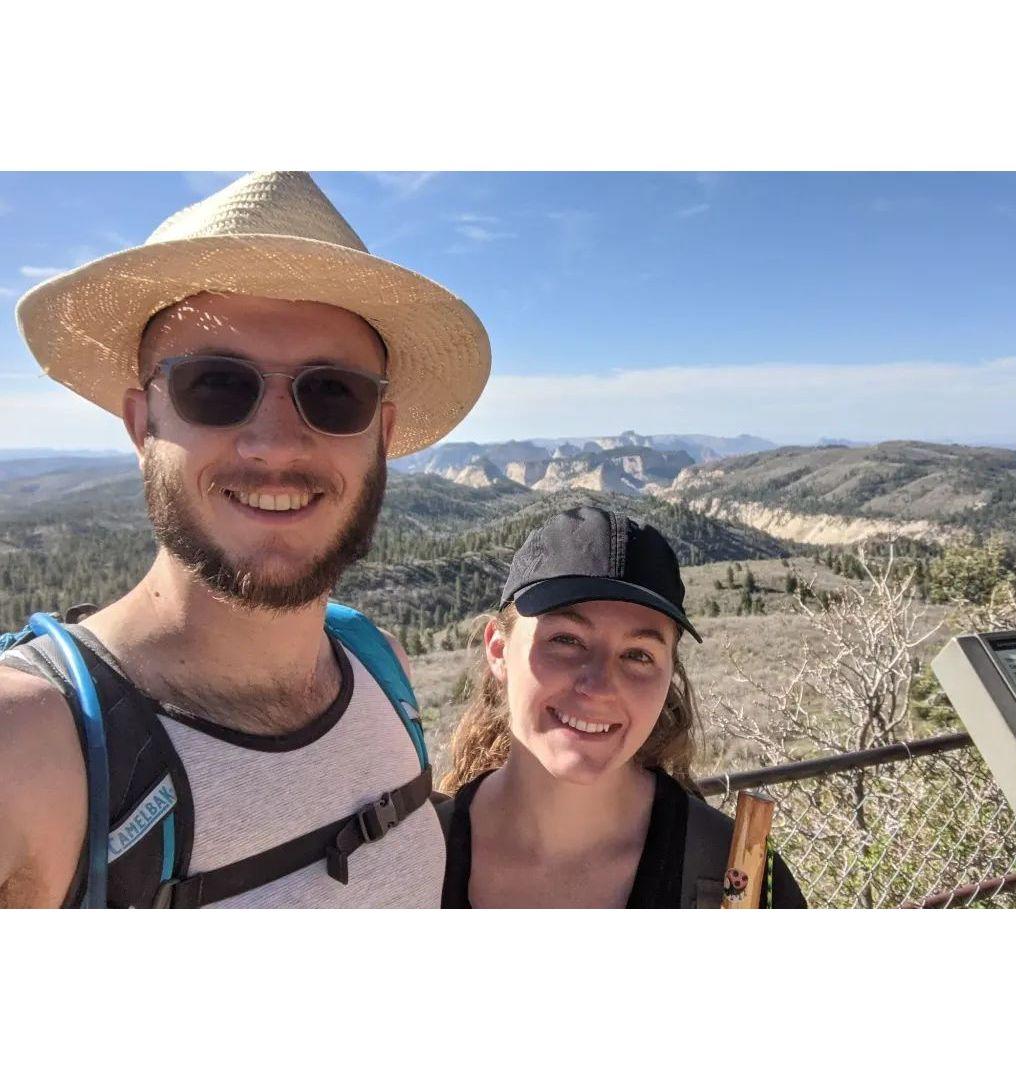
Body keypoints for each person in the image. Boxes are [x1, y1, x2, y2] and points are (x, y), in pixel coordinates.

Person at [0, 171, 490, 908]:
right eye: (217, 385)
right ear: (142, 424)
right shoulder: (33, 744)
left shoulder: (377, 665)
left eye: (333, 393)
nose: (274, 444)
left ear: (382, 437)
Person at [437, 506, 806, 908]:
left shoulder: (737, 879)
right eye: (567, 640)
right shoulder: (406, 861)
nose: (598, 686)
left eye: (637, 655)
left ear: (668, 678)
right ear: (498, 650)